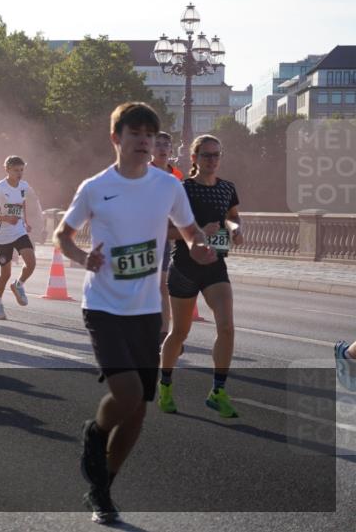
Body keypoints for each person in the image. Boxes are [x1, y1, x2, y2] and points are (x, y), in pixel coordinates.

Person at [53, 102, 215, 524]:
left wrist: (197, 243)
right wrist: (82, 256)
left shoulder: (168, 186)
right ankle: (95, 433)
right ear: (116, 139)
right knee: (125, 395)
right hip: (104, 306)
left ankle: (102, 489)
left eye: (150, 133)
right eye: (135, 133)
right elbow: (62, 235)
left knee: (139, 410)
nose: (144, 140)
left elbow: (189, 229)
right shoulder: (95, 186)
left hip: (146, 312)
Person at [158, 134, 244, 418]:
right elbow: (163, 231)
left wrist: (234, 228)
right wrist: (196, 232)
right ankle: (166, 385)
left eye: (217, 154)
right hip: (185, 266)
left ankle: (218, 391)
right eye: (206, 155)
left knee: (227, 327)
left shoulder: (227, 188)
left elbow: (231, 215)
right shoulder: (181, 190)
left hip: (215, 265)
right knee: (180, 333)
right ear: (193, 158)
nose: (212, 160)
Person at [0, 156, 37, 320]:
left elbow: (22, 204)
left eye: (22, 170)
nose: (19, 173)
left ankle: (19, 285)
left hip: (19, 231)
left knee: (31, 263)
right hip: (3, 236)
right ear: (7, 169)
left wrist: (26, 222)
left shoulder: (24, 186)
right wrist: (6, 219)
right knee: (5, 273)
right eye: (16, 170)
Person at [151, 131, 183, 342]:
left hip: (163, 238)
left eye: (166, 145)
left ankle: (163, 334)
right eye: (158, 144)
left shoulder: (177, 176)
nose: (162, 148)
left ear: (171, 150)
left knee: (162, 284)